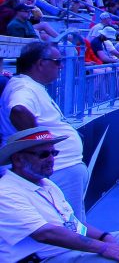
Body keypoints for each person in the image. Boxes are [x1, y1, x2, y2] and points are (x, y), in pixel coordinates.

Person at [0, 128, 119, 262]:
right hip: (43, 259)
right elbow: (45, 233)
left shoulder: (47, 184)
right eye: (44, 154)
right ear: (18, 159)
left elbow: (73, 224)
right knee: (115, 258)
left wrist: (104, 237)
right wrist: (104, 247)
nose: (51, 159)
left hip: (65, 251)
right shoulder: (6, 192)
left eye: (53, 153)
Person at [0, 43, 92, 225]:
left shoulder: (30, 85)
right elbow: (18, 110)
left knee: (74, 225)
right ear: (41, 63)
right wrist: (41, 148)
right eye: (57, 62)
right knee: (68, 227)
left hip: (60, 168)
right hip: (57, 169)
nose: (61, 66)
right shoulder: (24, 87)